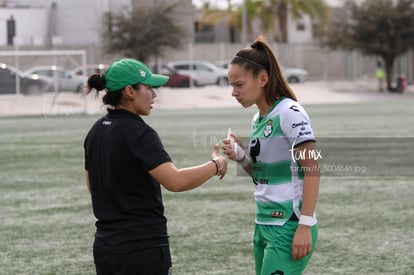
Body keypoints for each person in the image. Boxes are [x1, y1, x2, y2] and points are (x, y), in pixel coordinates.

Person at [83, 58, 228, 275]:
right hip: (141, 248)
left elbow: (92, 186)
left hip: (105, 247)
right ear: (130, 91)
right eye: (149, 88)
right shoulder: (139, 132)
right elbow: (175, 181)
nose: (154, 95)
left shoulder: (95, 132)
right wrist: (215, 165)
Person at [222, 35, 320, 275]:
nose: (234, 92)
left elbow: (313, 169)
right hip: (263, 223)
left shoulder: (290, 112)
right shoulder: (258, 119)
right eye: (231, 85)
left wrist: (305, 225)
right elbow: (261, 175)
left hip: (289, 224)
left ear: (263, 79)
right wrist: (241, 157)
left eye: (239, 84)